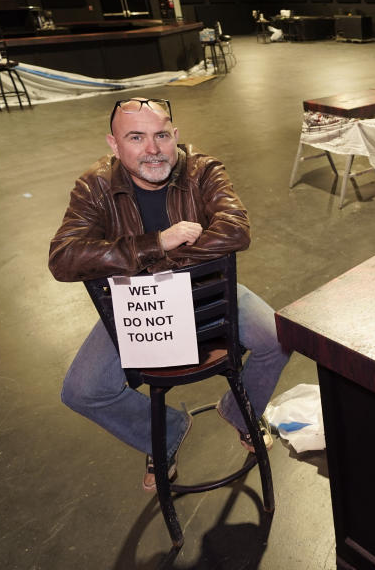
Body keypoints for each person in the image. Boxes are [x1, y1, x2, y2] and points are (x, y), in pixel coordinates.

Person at [49, 98, 290, 491]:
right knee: (82, 391)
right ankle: (163, 433)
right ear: (113, 144)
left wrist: (155, 262)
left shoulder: (202, 170)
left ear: (175, 136)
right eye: (136, 137)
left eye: (161, 135)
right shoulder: (94, 186)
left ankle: (241, 412)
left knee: (278, 340)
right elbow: (63, 258)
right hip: (140, 304)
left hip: (209, 292)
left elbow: (235, 230)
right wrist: (157, 243)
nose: (153, 149)